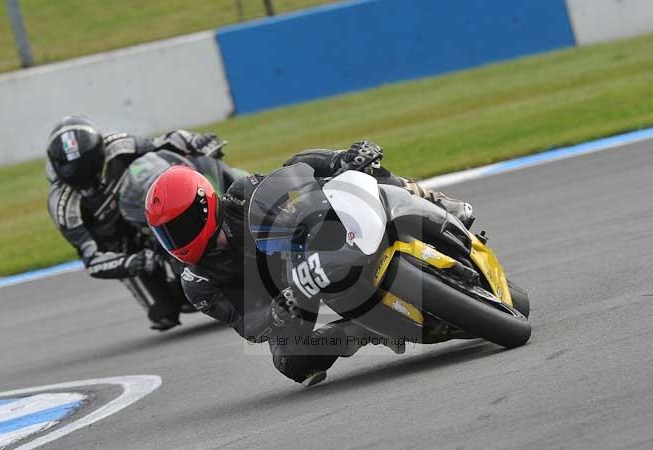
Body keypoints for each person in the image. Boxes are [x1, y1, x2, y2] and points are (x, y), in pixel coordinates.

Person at [145, 140, 475, 384]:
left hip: (306, 246)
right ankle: (366, 330)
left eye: (179, 227)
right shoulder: (197, 283)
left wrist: (341, 160)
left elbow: (293, 173)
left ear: (203, 206)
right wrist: (274, 312)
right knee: (292, 362)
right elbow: (245, 324)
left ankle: (436, 204)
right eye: (166, 234)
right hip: (285, 296)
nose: (175, 240)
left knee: (358, 172)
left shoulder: (242, 194)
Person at [45, 115, 238, 330]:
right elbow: (92, 260)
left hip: (143, 205)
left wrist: (196, 141)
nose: (84, 179)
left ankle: (237, 205)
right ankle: (173, 284)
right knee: (163, 313)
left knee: (198, 166)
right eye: (72, 172)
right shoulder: (62, 205)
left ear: (98, 152)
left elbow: (165, 142)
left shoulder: (119, 145)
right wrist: (131, 262)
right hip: (121, 244)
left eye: (88, 166)